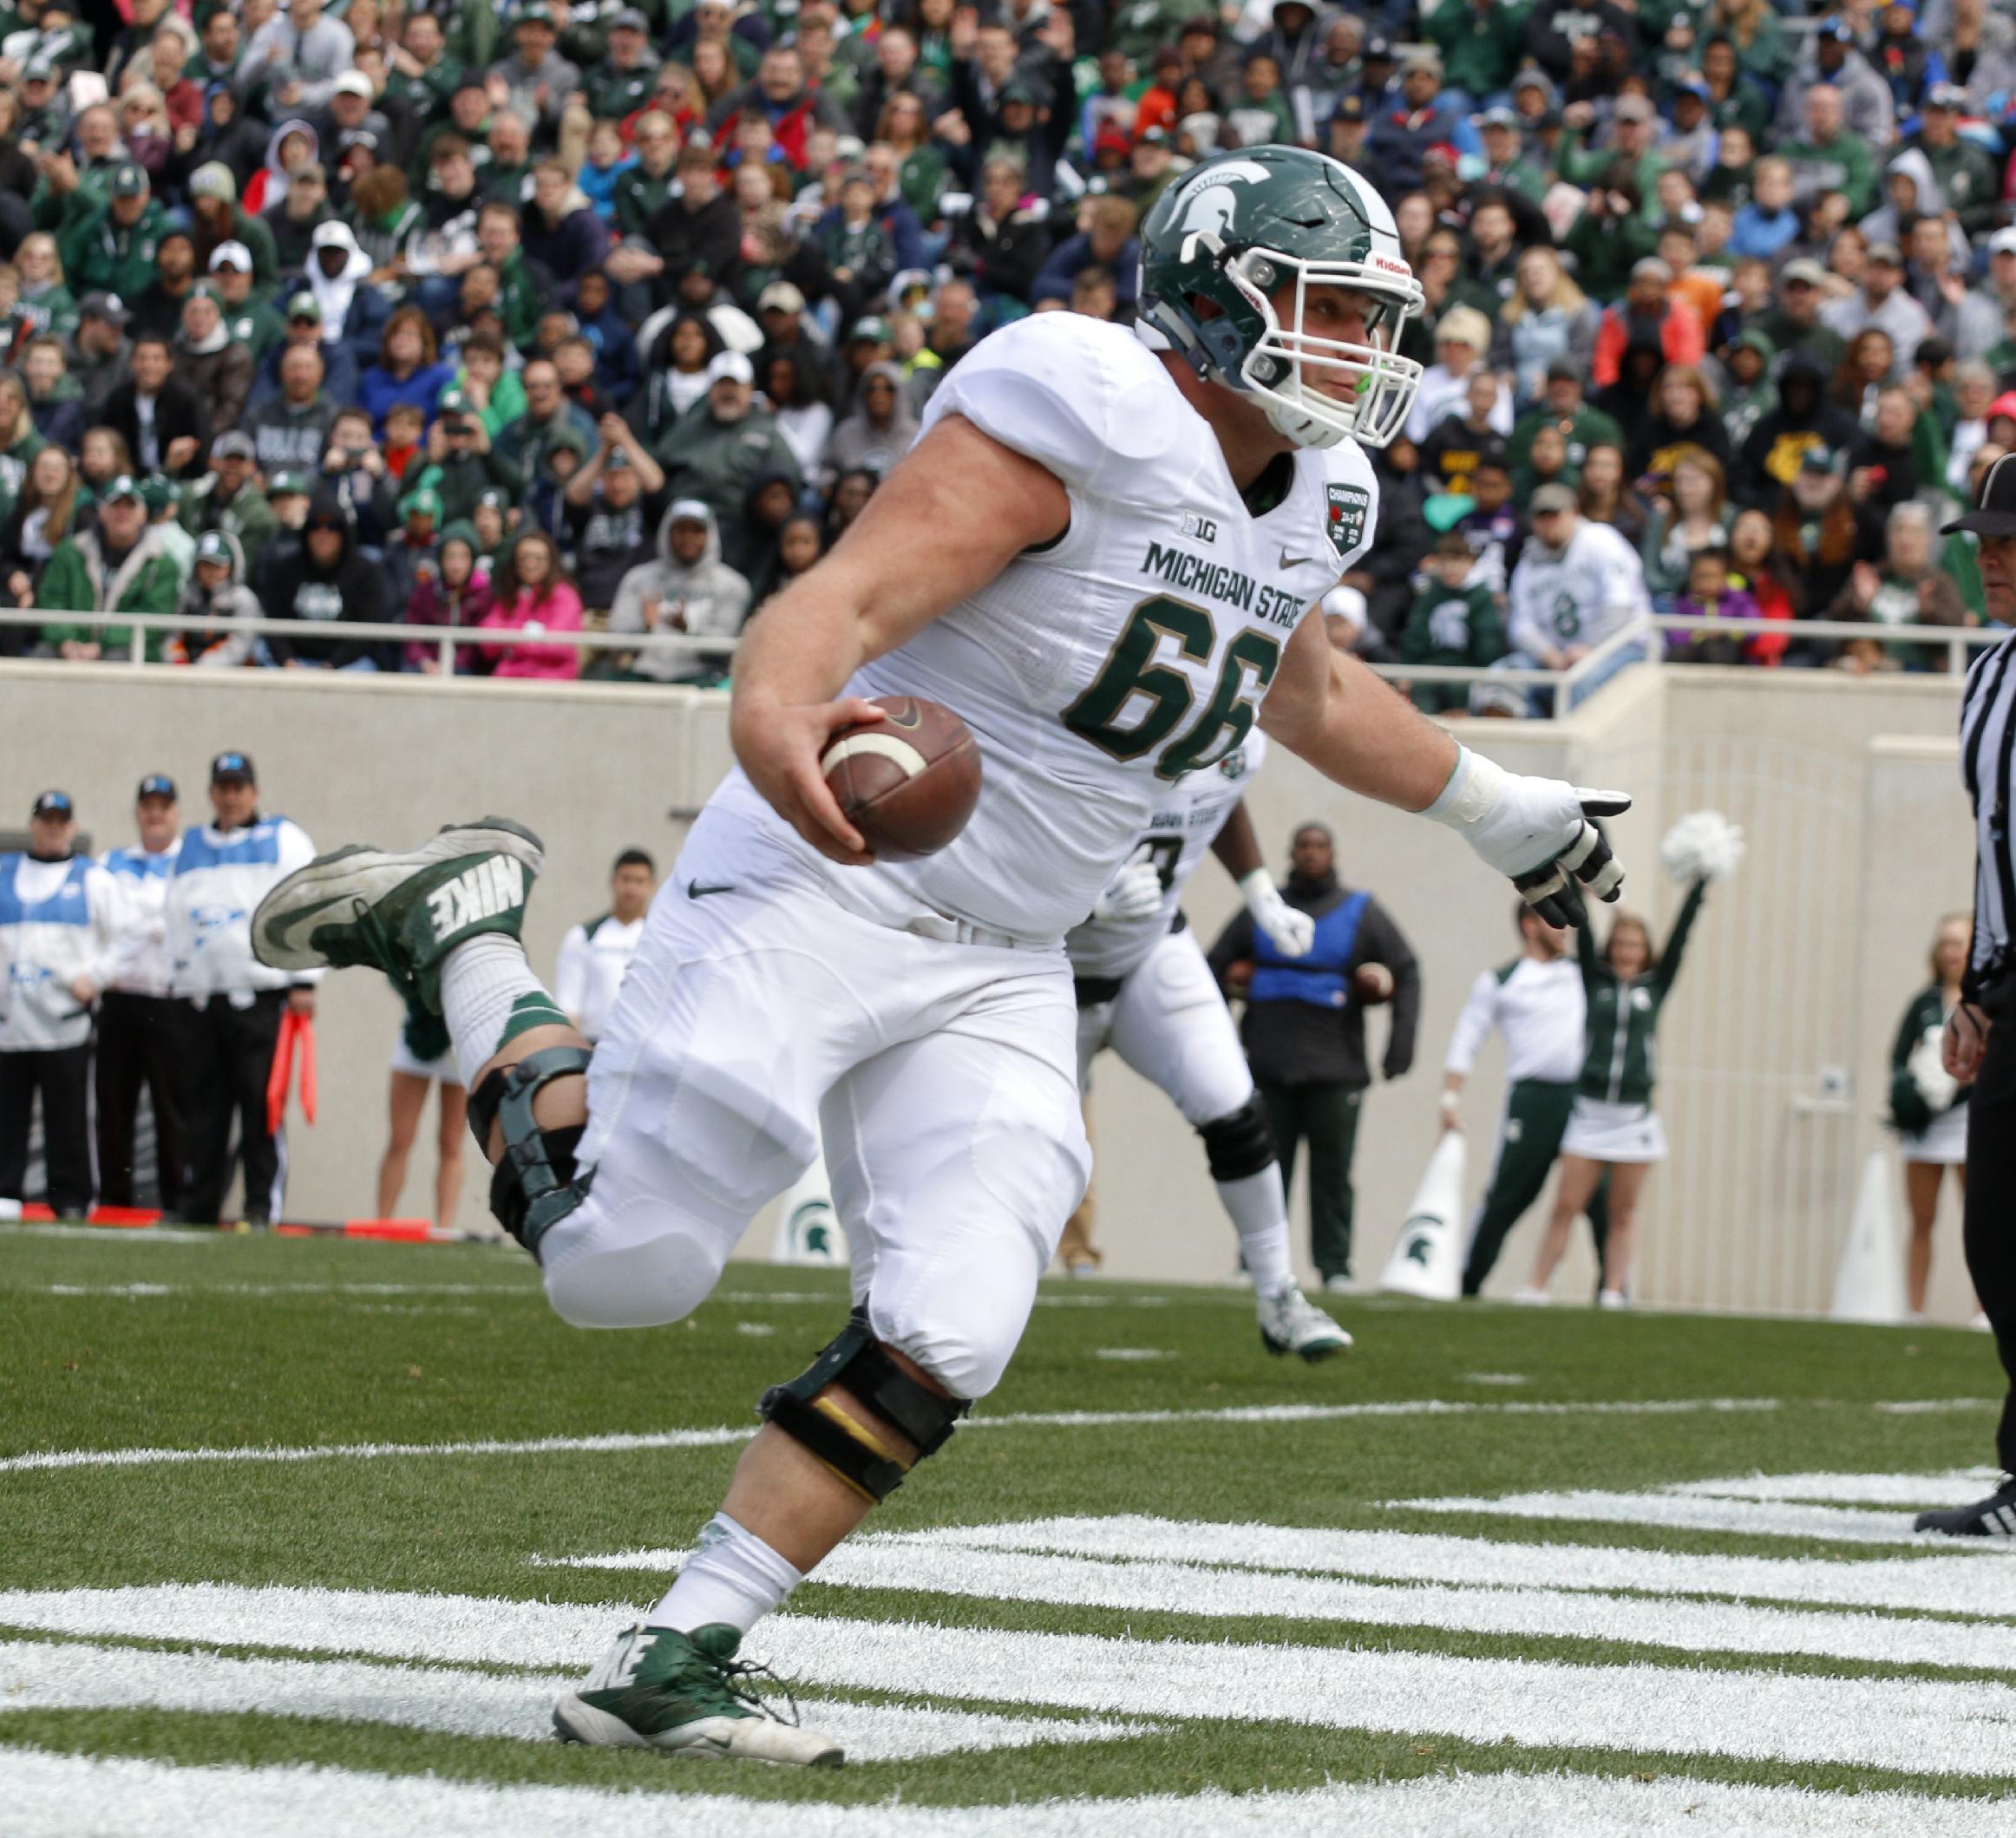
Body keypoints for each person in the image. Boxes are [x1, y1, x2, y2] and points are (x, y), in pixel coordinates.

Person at [247, 145, 1630, 1755]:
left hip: (1004, 951)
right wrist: (772, 712)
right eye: (1317, 308)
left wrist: (1497, 803)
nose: (1350, 349)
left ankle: (675, 1648)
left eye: (1361, 316)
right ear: (1201, 299)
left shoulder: (1321, 492)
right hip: (835, 878)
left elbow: (1302, 689)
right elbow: (839, 596)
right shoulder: (1087, 406)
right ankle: (465, 932)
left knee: (958, 1312)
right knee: (625, 1267)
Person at [1068, 733, 1347, 1354]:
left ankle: (1279, 1294)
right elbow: (992, 838)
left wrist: (1261, 895)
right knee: (1028, 1152)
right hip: (1041, 960)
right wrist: (1081, 902)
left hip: (1150, 949)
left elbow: (1217, 798)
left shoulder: (1233, 735)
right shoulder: (1075, 725)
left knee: (1232, 1107)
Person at [1920, 450, 2016, 1535]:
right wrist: (1974, 986)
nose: (1990, 556)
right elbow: (1994, 849)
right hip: (2010, 985)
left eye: (2010, 539)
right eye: (1983, 538)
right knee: (1994, 1235)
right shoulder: (1986, 676)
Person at [1208, 819, 1421, 1292]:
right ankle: (1254, 1262)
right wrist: (1219, 1036)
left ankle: (1335, 1266)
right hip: (1267, 1060)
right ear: (1290, 852)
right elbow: (1212, 965)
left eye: (1319, 845)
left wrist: (1399, 1044)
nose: (1310, 852)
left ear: (1333, 853)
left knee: (1333, 1174)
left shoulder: (1360, 911)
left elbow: (1405, 969)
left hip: (1336, 1067)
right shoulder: (1265, 909)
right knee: (1263, 1171)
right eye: (1302, 845)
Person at [1518, 878, 1709, 1308]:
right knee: (1566, 1204)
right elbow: (1582, 931)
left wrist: (1698, 888)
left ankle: (1612, 1291)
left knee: (1623, 1213)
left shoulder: (1655, 988)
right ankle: (1536, 1287)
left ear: (1646, 953)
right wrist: (1578, 886)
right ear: (1611, 949)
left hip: (1633, 1117)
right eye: (1621, 945)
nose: (1627, 954)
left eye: (1635, 947)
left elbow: (1680, 939)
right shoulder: (1594, 981)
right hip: (1590, 1112)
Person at [166, 753, 318, 1227]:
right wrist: (181, 978)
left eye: (239, 788)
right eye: (223, 788)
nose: (230, 797)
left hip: (260, 996)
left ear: (254, 792)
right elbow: (174, 914)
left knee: (261, 1104)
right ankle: (199, 1204)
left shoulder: (283, 840)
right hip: (204, 996)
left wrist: (305, 978)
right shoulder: (190, 844)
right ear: (212, 792)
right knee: (204, 1108)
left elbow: (307, 903)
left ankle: (260, 1205)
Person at [1444, 902, 1609, 1298]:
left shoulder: (1581, 975)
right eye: (1555, 921)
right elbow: (1467, 1039)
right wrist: (1449, 1099)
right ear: (1529, 924)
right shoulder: (1502, 979)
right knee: (1508, 1194)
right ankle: (1467, 1283)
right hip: (1532, 1098)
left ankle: (1613, 1290)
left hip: (1581, 1098)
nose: (1564, 930)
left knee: (1601, 1197)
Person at [0, 790, 115, 1219]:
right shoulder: (5, 873)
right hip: (11, 1021)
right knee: (8, 1112)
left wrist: (96, 979)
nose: (52, 827)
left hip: (64, 1019)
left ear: (71, 827)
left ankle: (70, 1198)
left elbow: (125, 940)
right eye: (45, 819)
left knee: (67, 1115)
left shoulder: (92, 878)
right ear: (33, 824)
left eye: (60, 820)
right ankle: (5, 1194)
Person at [95, 774, 186, 1211]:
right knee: (114, 1104)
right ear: (136, 812)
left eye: (163, 806)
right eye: (148, 805)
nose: (155, 814)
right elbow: (105, 928)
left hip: (169, 1000)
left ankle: (177, 1199)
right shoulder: (110, 863)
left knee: (172, 1106)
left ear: (176, 813)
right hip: (119, 997)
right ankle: (114, 1198)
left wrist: (146, 927)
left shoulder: (190, 862)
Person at [1890, 913, 1979, 1323]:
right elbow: (1898, 1056)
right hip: (1928, 1125)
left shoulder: (1986, 1002)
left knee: (1978, 1222)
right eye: (1944, 943)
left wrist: (1960, 1085)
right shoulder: (1924, 1002)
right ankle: (1914, 1309)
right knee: (1921, 1220)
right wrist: (1913, 1093)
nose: (1949, 952)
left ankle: (1984, 1311)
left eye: (1958, 943)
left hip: (1969, 1122)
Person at [376, 993, 467, 1227]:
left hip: (459, 1041)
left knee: (451, 1142)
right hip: (417, 1033)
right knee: (400, 1138)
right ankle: (382, 1223)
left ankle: (444, 1227)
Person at [554, 849, 657, 1044]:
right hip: (593, 1048)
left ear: (652, 885)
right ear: (613, 881)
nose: (631, 888)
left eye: (639, 881)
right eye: (625, 879)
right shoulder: (583, 936)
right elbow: (569, 1006)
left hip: (644, 1050)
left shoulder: (660, 939)